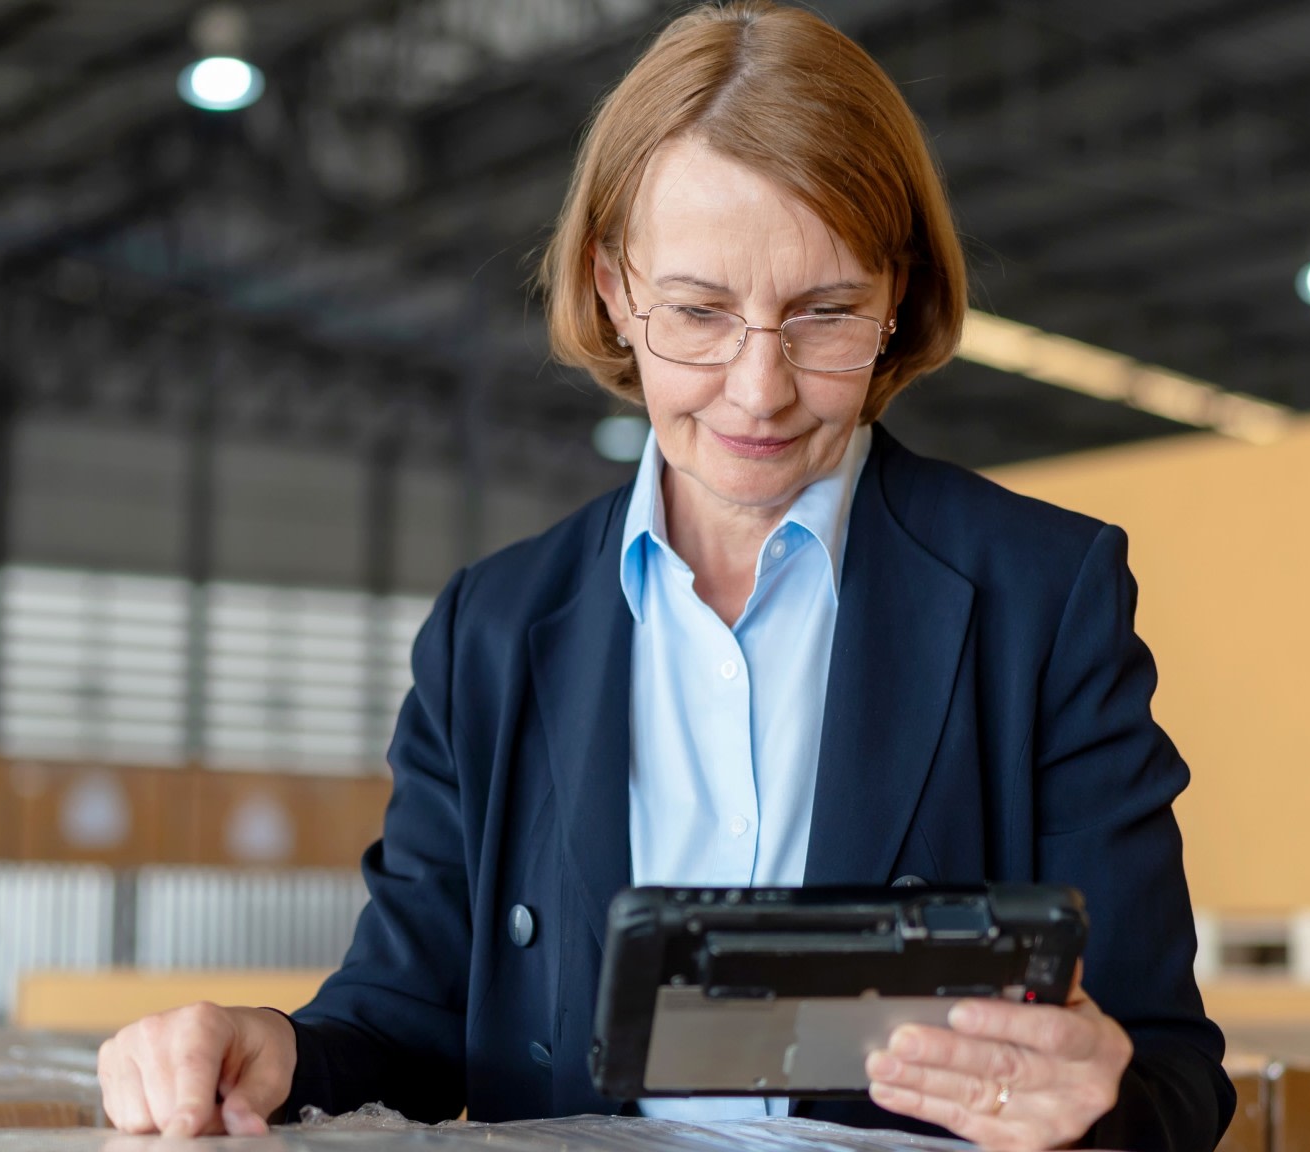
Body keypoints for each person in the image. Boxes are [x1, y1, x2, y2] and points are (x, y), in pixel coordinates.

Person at [97, 3, 1233, 1149]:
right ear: (609, 290)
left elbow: (1172, 1077)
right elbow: (407, 1021)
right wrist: (273, 1050)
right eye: (696, 313)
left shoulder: (1042, 599)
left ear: (894, 301)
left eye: (823, 314)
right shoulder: (489, 632)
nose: (757, 390)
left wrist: (1100, 1101)